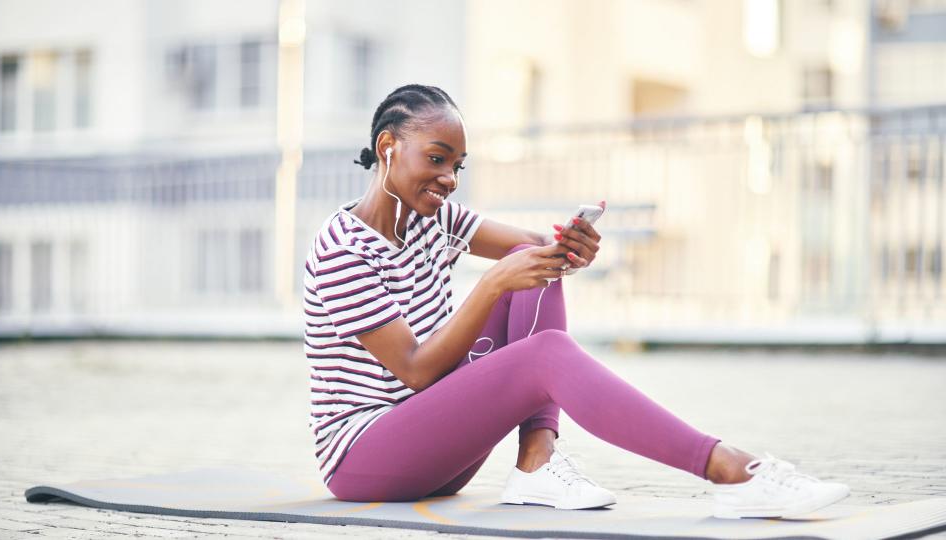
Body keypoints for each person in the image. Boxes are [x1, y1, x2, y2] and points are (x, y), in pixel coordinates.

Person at [302, 84, 849, 519]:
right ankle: (729, 469)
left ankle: (536, 463)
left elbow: (533, 248)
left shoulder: (434, 221)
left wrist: (570, 247)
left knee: (534, 265)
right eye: (438, 158)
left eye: (458, 166)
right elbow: (417, 371)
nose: (448, 179)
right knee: (543, 349)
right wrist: (493, 283)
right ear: (387, 147)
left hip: (439, 449)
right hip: (367, 459)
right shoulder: (341, 249)